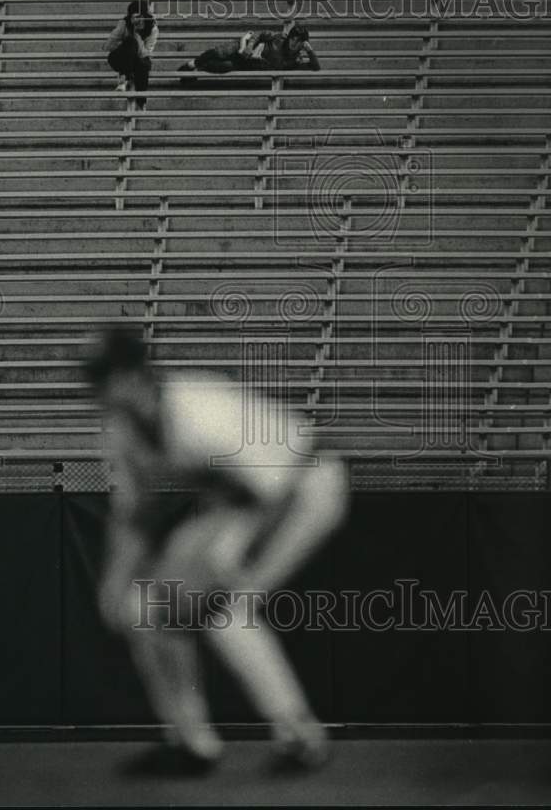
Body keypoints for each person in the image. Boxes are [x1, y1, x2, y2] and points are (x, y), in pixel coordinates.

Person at [85, 326, 350, 771]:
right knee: (143, 608)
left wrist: (233, 571)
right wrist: (114, 579)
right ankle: (191, 743)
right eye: (96, 378)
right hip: (239, 504)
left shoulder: (198, 409)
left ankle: (300, 737)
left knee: (229, 609)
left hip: (307, 486)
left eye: (108, 375)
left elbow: (278, 490)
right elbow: (134, 516)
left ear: (135, 373)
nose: (101, 389)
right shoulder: (123, 431)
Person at [105, 1, 158, 109]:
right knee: (130, 42)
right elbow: (108, 46)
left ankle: (141, 103)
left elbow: (145, 53)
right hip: (120, 58)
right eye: (134, 17)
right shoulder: (124, 24)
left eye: (140, 17)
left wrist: (137, 36)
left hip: (140, 60)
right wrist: (124, 44)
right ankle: (125, 78)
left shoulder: (152, 29)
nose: (137, 21)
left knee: (142, 65)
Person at [177, 31, 265, 76]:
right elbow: (255, 34)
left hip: (243, 62)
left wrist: (255, 57)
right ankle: (192, 64)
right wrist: (246, 47)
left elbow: (262, 65)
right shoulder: (271, 37)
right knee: (221, 53)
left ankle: (197, 68)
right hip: (238, 48)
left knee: (227, 65)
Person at [253, 24, 321, 71]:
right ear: (289, 38)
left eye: (298, 41)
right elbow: (257, 35)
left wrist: (309, 50)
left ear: (303, 44)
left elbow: (316, 67)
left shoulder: (297, 60)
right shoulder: (278, 38)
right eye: (292, 39)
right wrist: (251, 46)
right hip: (256, 67)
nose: (294, 43)